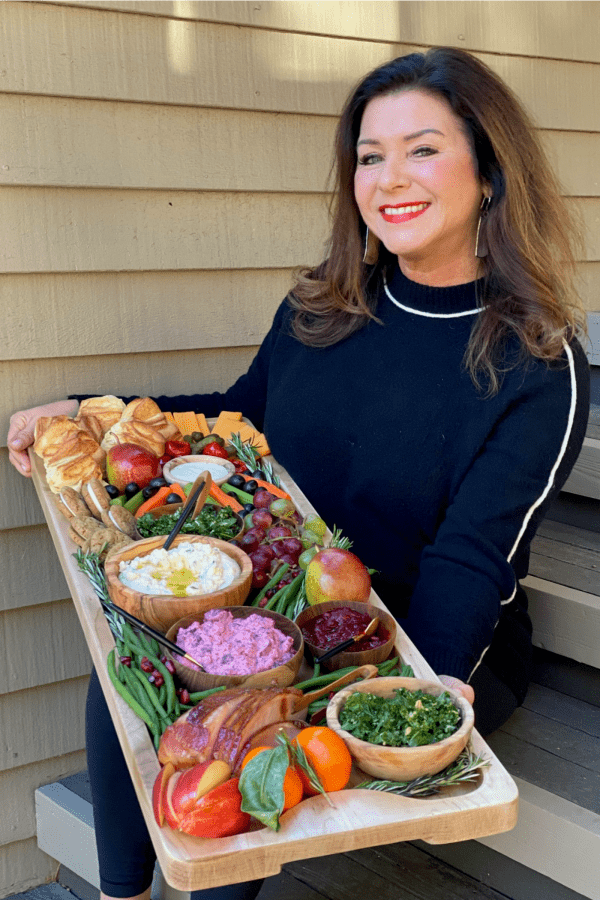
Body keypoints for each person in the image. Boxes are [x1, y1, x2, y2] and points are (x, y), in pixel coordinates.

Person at [8, 46, 589, 900]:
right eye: (369, 155)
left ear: (491, 172)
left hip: (402, 638)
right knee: (131, 660)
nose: (390, 177)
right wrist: (86, 411)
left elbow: (474, 559)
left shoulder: (535, 364)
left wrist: (409, 693)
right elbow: (241, 416)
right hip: (271, 606)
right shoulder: (325, 305)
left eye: (422, 148)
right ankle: (121, 892)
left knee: (233, 747)